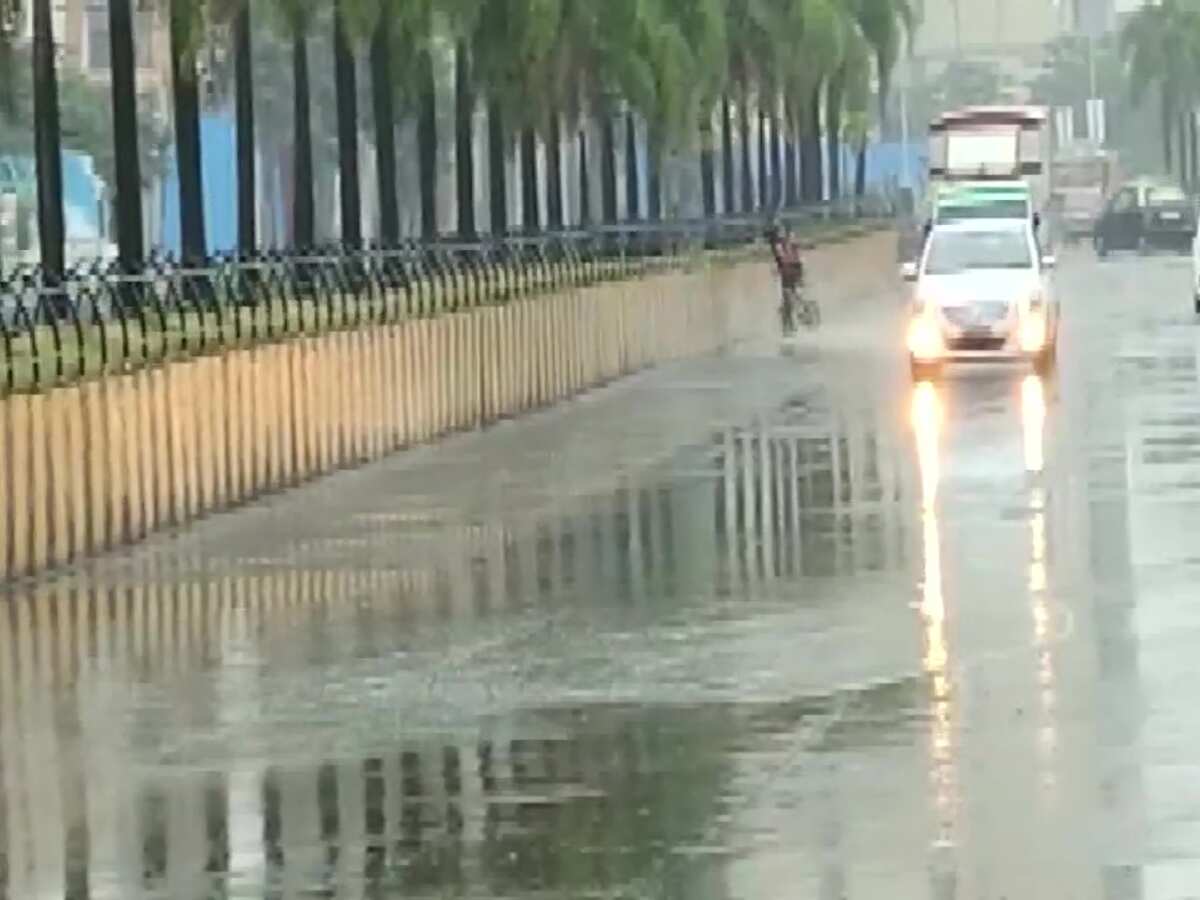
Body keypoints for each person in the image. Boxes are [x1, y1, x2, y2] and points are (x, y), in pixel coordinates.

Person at [765, 224, 806, 330]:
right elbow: (779, 260)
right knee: (790, 296)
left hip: (792, 268)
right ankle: (792, 319)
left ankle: (798, 313)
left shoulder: (786, 243)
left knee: (792, 294)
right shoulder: (780, 245)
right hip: (789, 270)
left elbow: (783, 258)